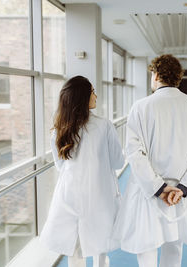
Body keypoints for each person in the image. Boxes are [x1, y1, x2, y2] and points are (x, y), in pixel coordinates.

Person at [113, 54, 187, 267]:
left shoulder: (140, 107)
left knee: (146, 246)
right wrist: (183, 188)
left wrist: (159, 188)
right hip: (180, 194)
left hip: (148, 193)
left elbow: (134, 152)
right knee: (174, 247)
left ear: (156, 75)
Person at [40, 76, 125, 267]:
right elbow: (119, 162)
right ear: (83, 96)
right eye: (92, 91)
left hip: (69, 195)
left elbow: (60, 165)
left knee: (75, 250)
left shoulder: (58, 130)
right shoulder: (104, 126)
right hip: (99, 194)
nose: (96, 95)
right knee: (100, 245)